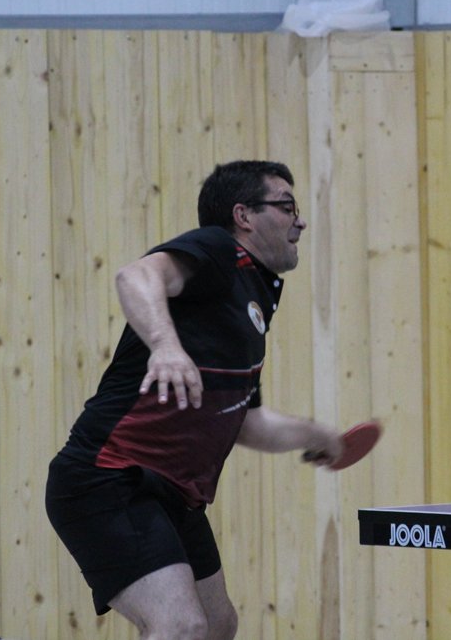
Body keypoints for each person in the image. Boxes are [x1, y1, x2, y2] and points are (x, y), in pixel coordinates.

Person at [46, 160, 344, 640]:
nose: (300, 220)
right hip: (107, 477)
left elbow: (248, 423)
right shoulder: (219, 250)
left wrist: (317, 435)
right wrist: (165, 346)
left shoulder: (252, 300)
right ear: (243, 216)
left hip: (172, 493)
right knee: (180, 626)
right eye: (287, 206)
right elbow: (134, 277)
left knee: (218, 625)